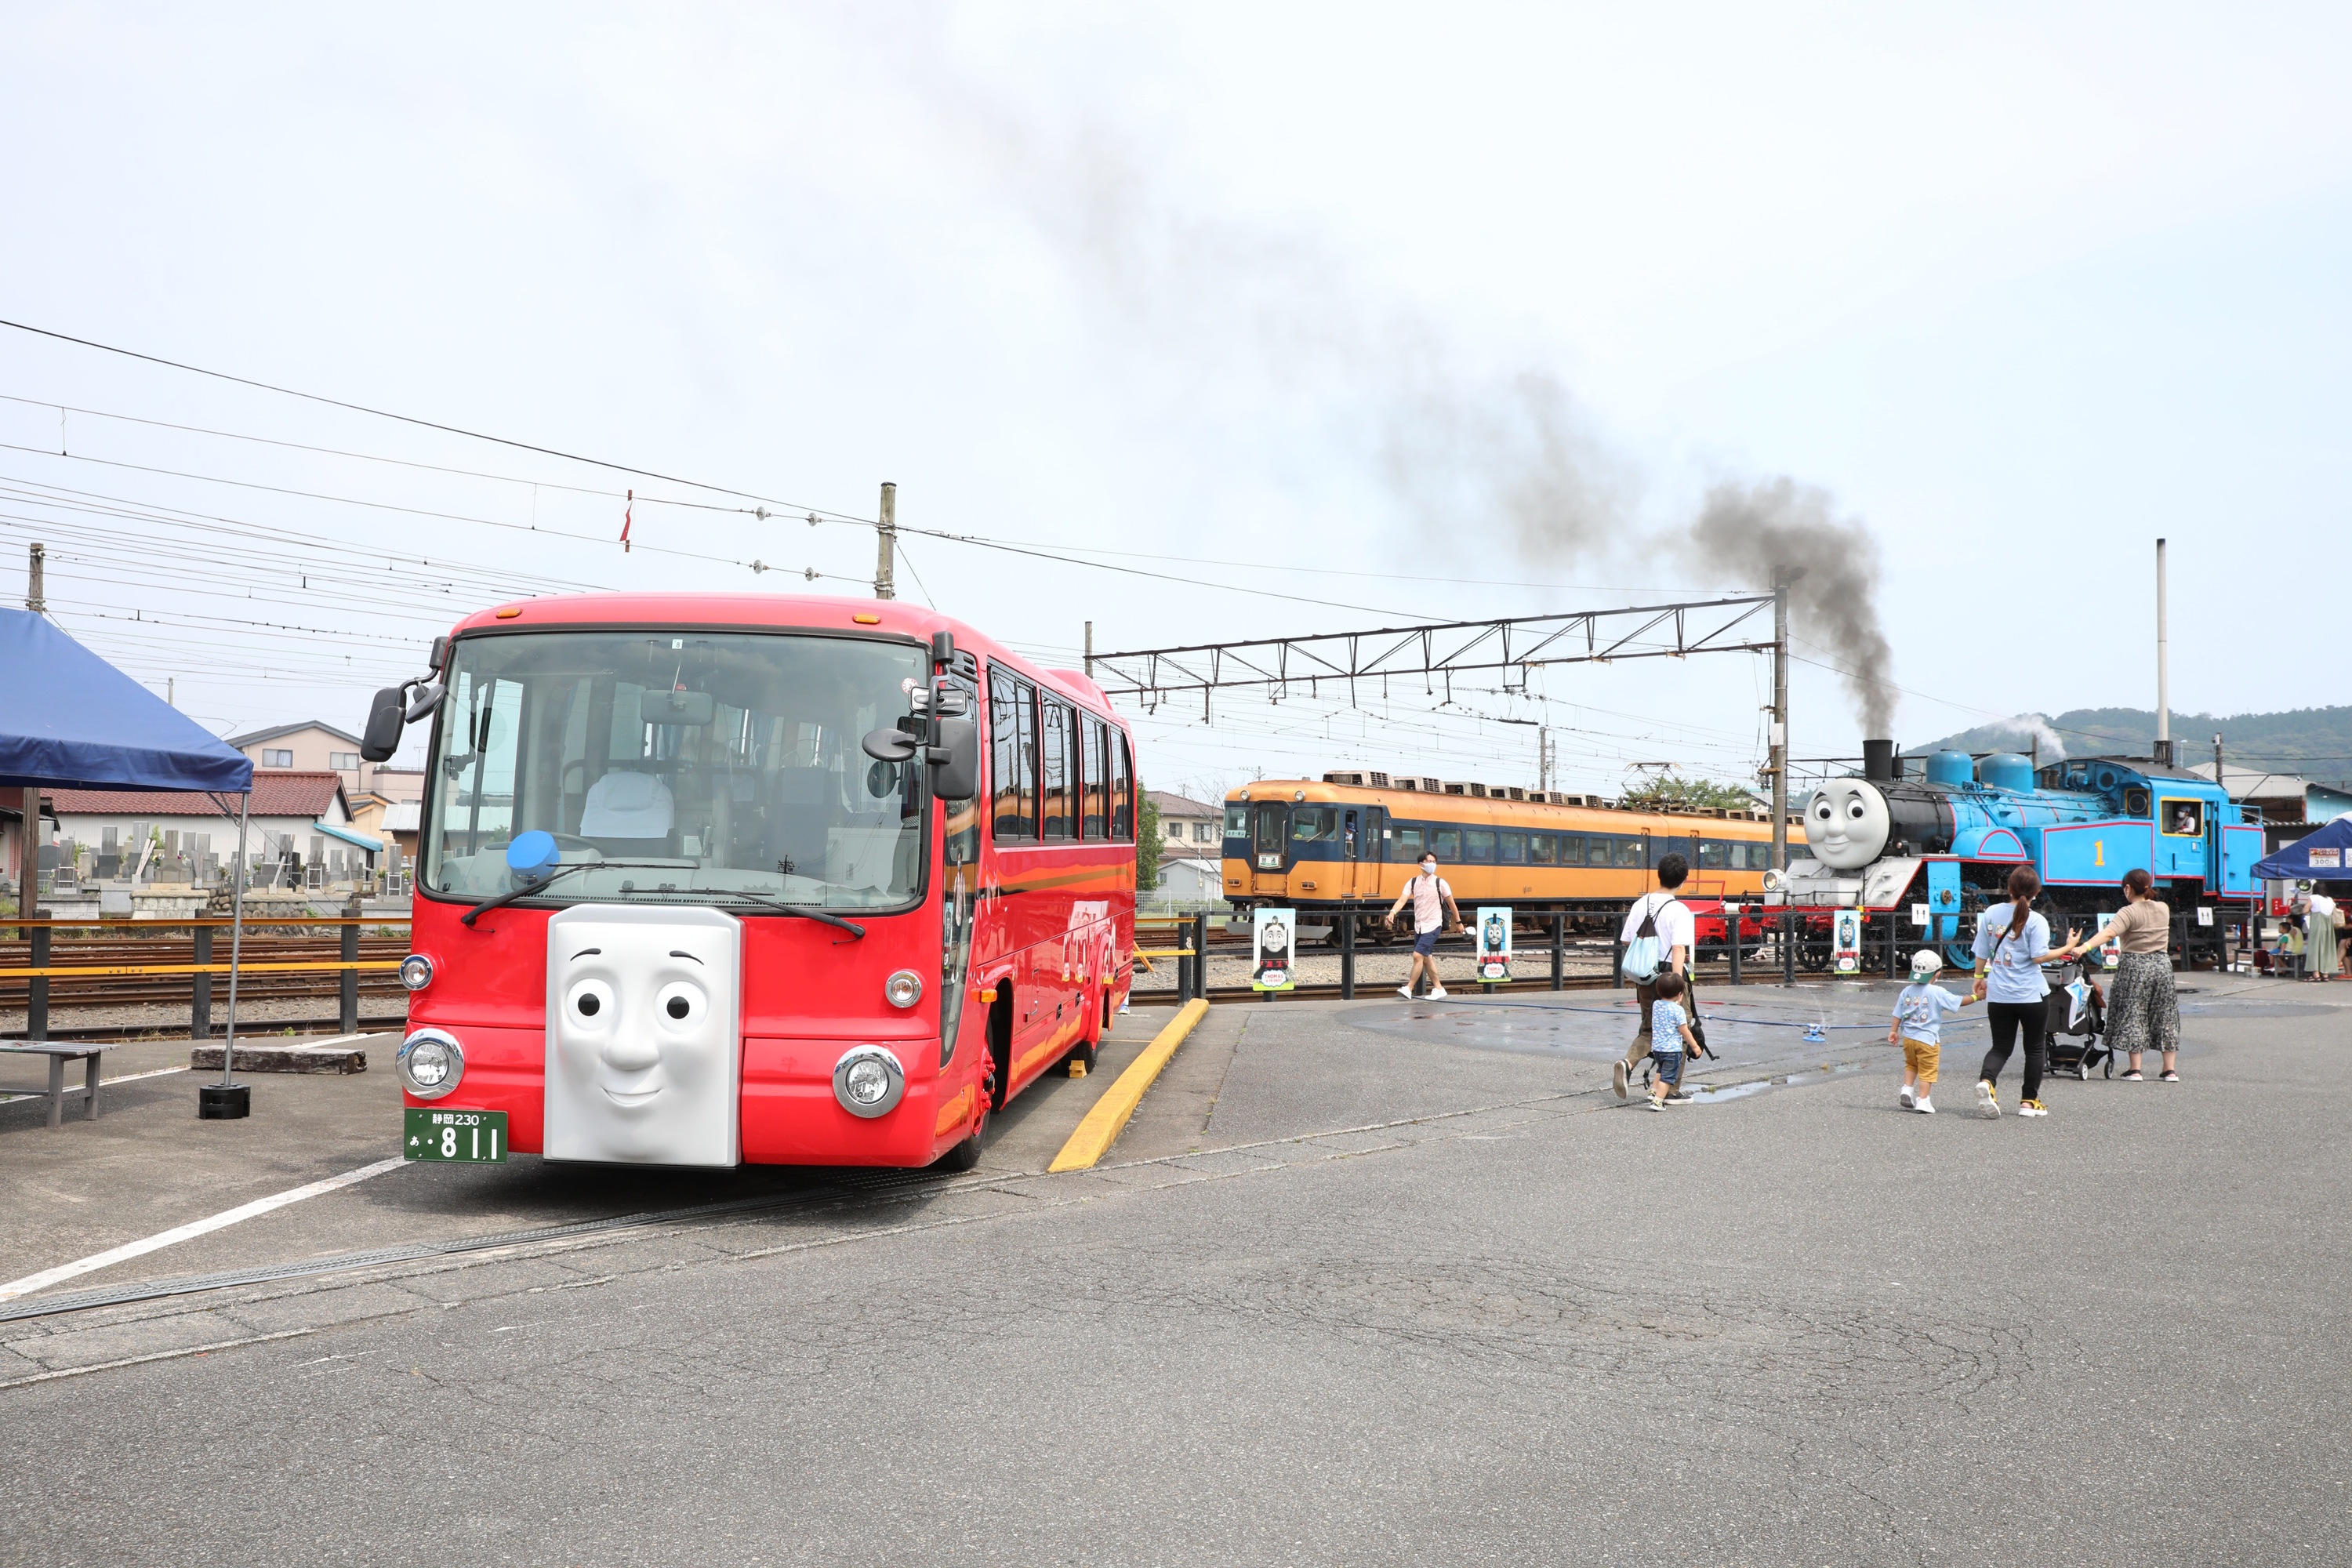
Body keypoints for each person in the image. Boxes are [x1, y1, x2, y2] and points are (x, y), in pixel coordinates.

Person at [2053, 868, 2179, 1081]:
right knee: (2165, 1015)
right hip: (2162, 966)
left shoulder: (2128, 912)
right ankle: (2170, 1071)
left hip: (2136, 966)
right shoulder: (2163, 908)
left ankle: (2135, 1070)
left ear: (2128, 889)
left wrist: (2084, 947)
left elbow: (2109, 933)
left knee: (2134, 1013)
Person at [1970, 866, 2071, 1120]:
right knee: (2035, 1049)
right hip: (2031, 996)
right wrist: (2068, 946)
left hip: (1999, 995)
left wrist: (1979, 978)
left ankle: (1988, 1081)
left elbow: (1982, 950)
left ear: (2009, 888)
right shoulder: (2036, 920)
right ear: (2037, 892)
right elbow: (2039, 957)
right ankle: (2029, 1101)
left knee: (2001, 1047)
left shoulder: (1992, 912)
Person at [1614, 852, 1695, 1102]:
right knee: (1681, 1026)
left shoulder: (1641, 904)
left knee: (1650, 1028)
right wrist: (1677, 985)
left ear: (1659, 875)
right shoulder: (1679, 910)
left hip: (1644, 976)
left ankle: (1627, 1064)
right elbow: (1679, 949)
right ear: (1683, 880)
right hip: (1667, 975)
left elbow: (1627, 939)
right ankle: (1669, 1089)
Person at [1888, 949, 1975, 1113]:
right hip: (1927, 1040)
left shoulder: (1906, 991)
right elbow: (1958, 1002)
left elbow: (1897, 1013)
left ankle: (1907, 1089)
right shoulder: (1937, 992)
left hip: (1908, 1039)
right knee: (1927, 1071)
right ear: (1937, 974)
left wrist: (1893, 1031)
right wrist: (1977, 996)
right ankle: (1923, 1100)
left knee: (1911, 1064)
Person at [1385, 851, 1461, 1000]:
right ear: (1421, 864)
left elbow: (1452, 904)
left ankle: (1409, 988)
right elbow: (1402, 900)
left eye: (1434, 861)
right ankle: (1439, 989)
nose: (1433, 864)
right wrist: (1393, 912)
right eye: (1429, 861)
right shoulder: (1413, 882)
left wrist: (1458, 922)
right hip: (1420, 925)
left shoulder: (1440, 883)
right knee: (1427, 958)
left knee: (1417, 955)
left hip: (1433, 925)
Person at [1646, 971, 1699, 1112]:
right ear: (1680, 994)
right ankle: (1658, 1101)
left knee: (1660, 1070)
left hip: (1657, 1048)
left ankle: (1653, 1091)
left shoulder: (1656, 1005)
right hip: (1672, 1050)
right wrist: (1695, 1046)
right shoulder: (1678, 1010)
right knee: (1668, 1077)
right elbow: (1684, 1030)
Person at [2307, 887, 2340, 982]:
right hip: (2328, 926)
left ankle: (2316, 974)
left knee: (2315, 948)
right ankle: (2325, 974)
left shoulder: (2313, 897)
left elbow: (2305, 910)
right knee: (2327, 949)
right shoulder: (2330, 899)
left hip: (2317, 924)